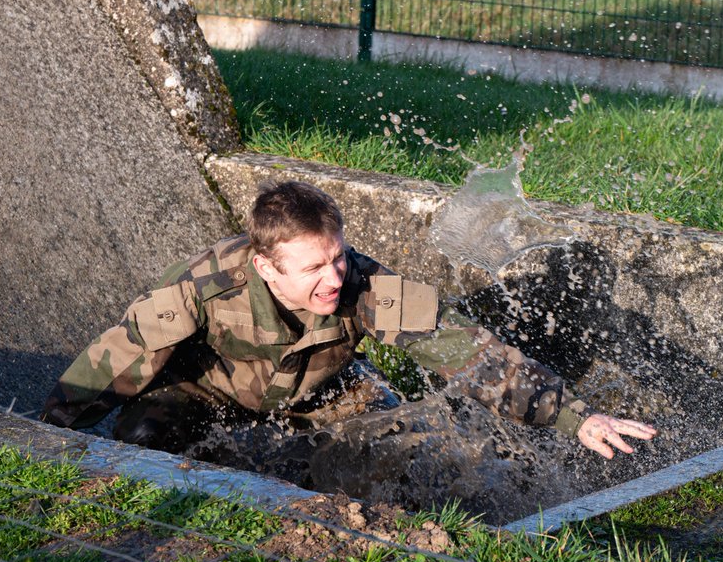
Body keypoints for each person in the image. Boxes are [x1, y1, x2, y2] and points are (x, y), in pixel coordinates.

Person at [41, 181, 656, 459]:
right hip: (207, 395)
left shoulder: (363, 283)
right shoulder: (199, 289)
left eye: (337, 257)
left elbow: (463, 349)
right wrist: (45, 439)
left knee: (405, 460)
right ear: (265, 265)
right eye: (313, 267)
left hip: (327, 390)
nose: (333, 279)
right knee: (143, 443)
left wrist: (575, 416)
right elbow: (114, 360)